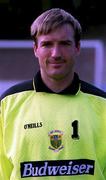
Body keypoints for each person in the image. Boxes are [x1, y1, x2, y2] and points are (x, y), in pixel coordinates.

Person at [0, 8, 106, 180]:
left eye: (64, 43)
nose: (56, 54)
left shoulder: (103, 105)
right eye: (47, 44)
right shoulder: (8, 103)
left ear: (77, 47)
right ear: (35, 49)